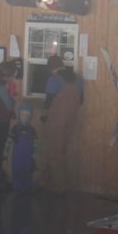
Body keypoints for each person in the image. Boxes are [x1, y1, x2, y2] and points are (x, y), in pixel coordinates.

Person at [42, 56, 81, 189]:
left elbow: (48, 102)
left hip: (56, 120)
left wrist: (44, 115)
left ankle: (58, 186)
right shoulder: (78, 79)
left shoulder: (53, 80)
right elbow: (80, 100)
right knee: (65, 151)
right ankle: (51, 182)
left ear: (51, 68)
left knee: (54, 152)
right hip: (73, 119)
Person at [10, 101, 38, 191]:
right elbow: (9, 141)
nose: (24, 117)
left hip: (28, 154)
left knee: (28, 169)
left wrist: (35, 153)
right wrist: (5, 152)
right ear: (19, 115)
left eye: (27, 115)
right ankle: (17, 187)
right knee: (17, 168)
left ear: (30, 116)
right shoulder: (15, 128)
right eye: (23, 115)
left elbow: (35, 142)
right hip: (17, 154)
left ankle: (27, 187)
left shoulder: (32, 129)